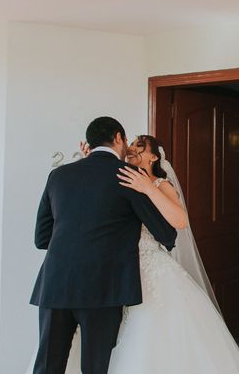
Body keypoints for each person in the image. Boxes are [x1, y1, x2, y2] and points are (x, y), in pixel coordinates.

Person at [27, 134, 239, 373]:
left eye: (140, 147)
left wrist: (148, 188)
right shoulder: (120, 177)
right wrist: (90, 165)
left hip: (145, 270)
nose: (132, 149)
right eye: (131, 144)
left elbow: (179, 222)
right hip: (110, 274)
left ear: (154, 157)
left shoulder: (157, 184)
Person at [29, 117, 177, 374]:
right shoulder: (128, 176)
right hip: (102, 287)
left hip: (55, 284)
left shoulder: (59, 174)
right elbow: (166, 234)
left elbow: (42, 238)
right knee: (95, 367)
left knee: (47, 366)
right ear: (118, 138)